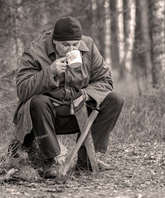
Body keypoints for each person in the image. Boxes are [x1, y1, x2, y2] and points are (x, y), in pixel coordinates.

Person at [13, 16, 124, 178]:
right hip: (47, 115)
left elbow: (105, 80)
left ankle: (85, 160)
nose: (71, 49)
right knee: (38, 101)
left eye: (75, 44)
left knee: (114, 100)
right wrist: (49, 72)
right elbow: (22, 90)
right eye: (65, 45)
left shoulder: (88, 46)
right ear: (54, 41)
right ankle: (49, 160)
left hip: (79, 111)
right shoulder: (35, 51)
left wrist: (86, 95)